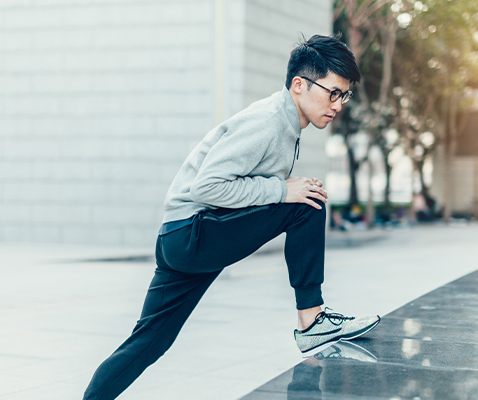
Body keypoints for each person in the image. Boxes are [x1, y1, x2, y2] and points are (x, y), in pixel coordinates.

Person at [82, 34, 381, 400]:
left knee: (148, 343)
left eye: (344, 95)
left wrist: (282, 189)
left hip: (181, 238)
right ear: (299, 85)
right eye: (332, 92)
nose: (338, 104)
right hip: (194, 232)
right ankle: (312, 321)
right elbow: (206, 187)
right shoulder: (269, 121)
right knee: (307, 202)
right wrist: (282, 190)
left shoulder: (286, 122)